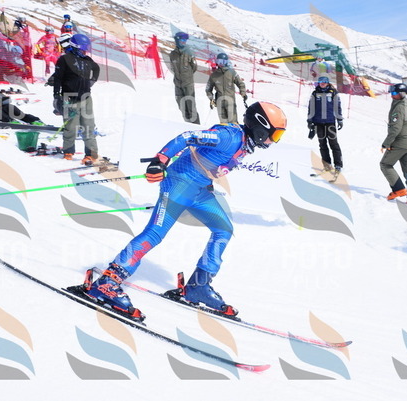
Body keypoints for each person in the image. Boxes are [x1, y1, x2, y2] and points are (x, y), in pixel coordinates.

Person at [79, 102, 287, 320]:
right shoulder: (229, 137)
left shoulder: (244, 144)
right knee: (155, 233)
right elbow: (187, 137)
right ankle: (107, 283)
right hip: (178, 185)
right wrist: (160, 160)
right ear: (261, 127)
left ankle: (198, 286)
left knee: (223, 229)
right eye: (275, 135)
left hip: (198, 190)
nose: (274, 141)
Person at [52, 33, 100, 165]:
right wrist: (56, 95)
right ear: (75, 47)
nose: (85, 51)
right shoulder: (64, 59)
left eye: (86, 48)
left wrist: (91, 82)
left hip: (86, 98)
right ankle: (68, 151)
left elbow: (96, 69)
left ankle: (91, 154)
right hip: (69, 98)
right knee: (70, 127)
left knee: (88, 127)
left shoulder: (87, 60)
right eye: (83, 48)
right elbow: (57, 78)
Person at [380, 83, 407, 205]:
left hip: (400, 142)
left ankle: (398, 189)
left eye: (394, 93)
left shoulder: (399, 107)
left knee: (385, 164)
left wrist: (386, 144)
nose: (391, 95)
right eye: (391, 92)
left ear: (402, 94)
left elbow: (395, 128)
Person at [307, 73, 343, 180]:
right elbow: (311, 108)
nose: (322, 83)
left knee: (333, 143)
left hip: (330, 122)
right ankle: (327, 165)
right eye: (320, 81)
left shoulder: (333, 93)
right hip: (318, 123)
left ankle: (338, 165)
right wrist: (310, 120)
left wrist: (339, 119)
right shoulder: (315, 93)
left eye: (324, 81)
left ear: (327, 82)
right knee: (322, 144)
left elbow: (337, 107)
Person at [205, 53, 247, 124]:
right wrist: (211, 99)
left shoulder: (232, 73)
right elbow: (208, 89)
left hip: (230, 101)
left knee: (233, 122)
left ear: (227, 62)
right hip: (220, 102)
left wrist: (243, 93)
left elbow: (240, 83)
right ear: (217, 62)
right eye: (220, 61)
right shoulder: (214, 75)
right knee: (223, 123)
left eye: (224, 62)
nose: (221, 64)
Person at [169, 31, 199, 124]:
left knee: (191, 106)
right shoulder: (173, 54)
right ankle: (188, 125)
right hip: (178, 84)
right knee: (181, 106)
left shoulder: (189, 53)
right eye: (182, 40)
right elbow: (172, 68)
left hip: (188, 84)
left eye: (185, 40)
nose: (183, 42)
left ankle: (196, 126)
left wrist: (187, 76)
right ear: (177, 40)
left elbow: (194, 67)